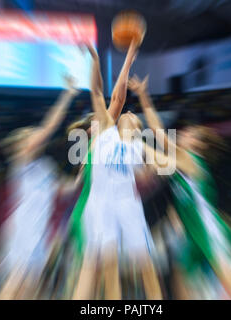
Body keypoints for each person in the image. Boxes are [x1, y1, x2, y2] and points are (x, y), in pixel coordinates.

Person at [128, 75, 231, 299]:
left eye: (190, 134)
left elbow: (161, 159)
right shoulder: (180, 156)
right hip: (191, 235)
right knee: (185, 288)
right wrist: (143, 96)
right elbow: (157, 132)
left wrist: (135, 140)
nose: (184, 134)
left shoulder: (191, 160)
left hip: (208, 231)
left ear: (198, 145)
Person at [70, 42, 166, 300]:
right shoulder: (102, 132)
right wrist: (96, 60)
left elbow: (154, 172)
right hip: (98, 204)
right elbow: (109, 95)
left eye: (130, 117)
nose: (122, 113)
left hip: (123, 203)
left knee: (131, 267)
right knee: (99, 268)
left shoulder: (134, 145)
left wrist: (154, 171)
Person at [0, 75, 79, 299]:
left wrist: (88, 169)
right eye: (31, 136)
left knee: (31, 287)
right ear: (22, 144)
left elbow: (67, 190)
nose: (37, 138)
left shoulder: (46, 166)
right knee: (17, 282)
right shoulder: (21, 160)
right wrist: (67, 95)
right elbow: (49, 127)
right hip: (24, 226)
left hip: (41, 230)